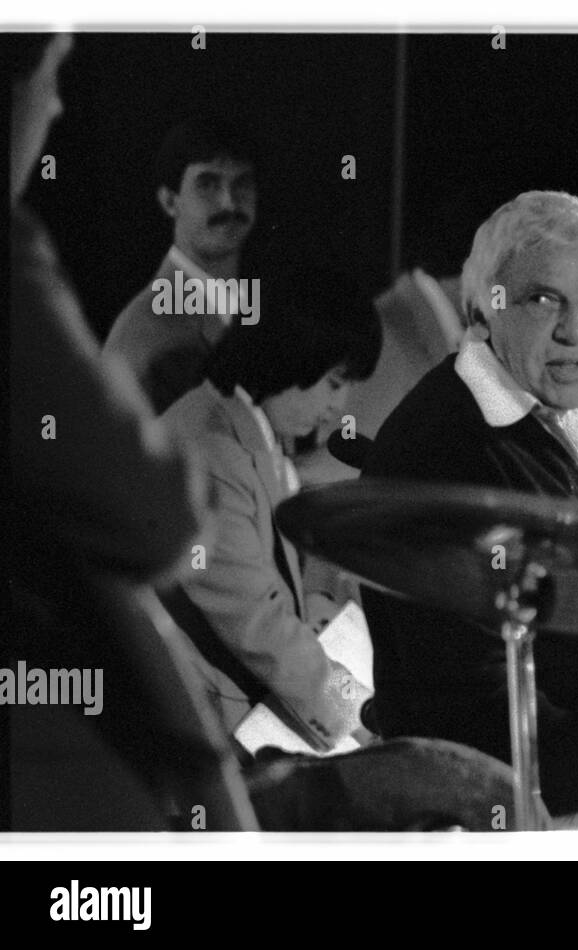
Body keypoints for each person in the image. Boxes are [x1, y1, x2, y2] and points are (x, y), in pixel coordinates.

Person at [8, 32, 255, 830]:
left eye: (243, 183)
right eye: (48, 76)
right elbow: (150, 516)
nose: (55, 105)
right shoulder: (145, 330)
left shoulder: (246, 315)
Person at [361, 191, 578, 817]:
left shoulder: (549, 400)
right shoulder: (446, 448)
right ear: (482, 311)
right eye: (543, 300)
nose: (576, 330)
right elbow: (475, 698)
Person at [157, 267, 382, 750]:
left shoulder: (246, 428)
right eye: (334, 382)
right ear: (291, 354)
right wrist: (358, 712)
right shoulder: (213, 451)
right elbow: (262, 627)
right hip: (218, 727)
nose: (340, 407)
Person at [103, 116, 258, 413]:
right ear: (170, 201)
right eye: (208, 184)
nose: (229, 203)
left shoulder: (250, 304)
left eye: (242, 183)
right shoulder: (148, 333)